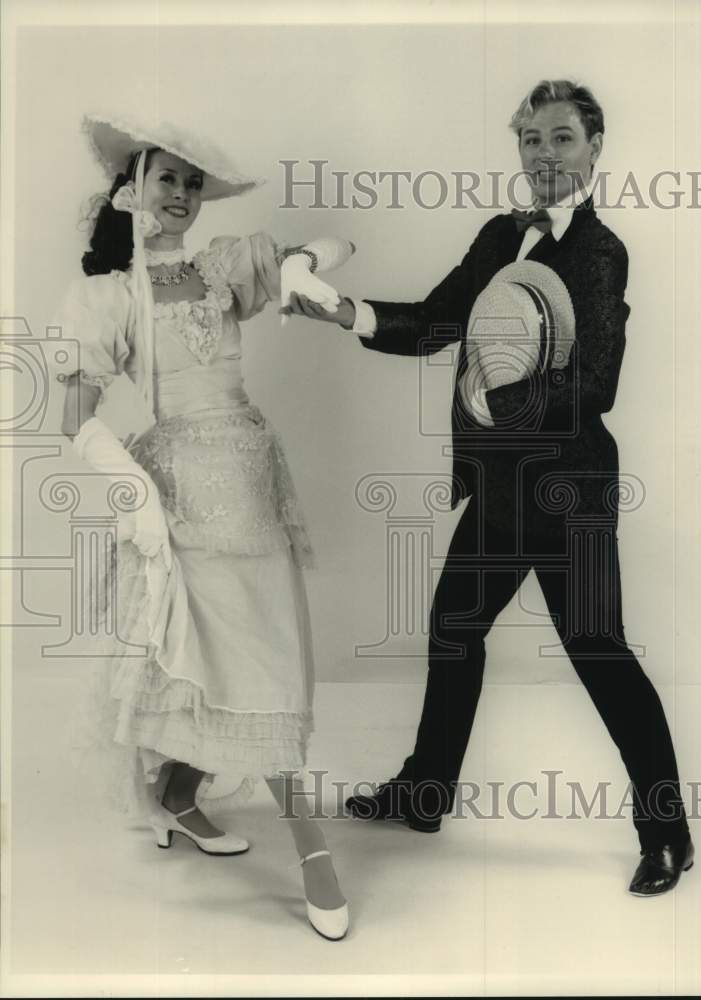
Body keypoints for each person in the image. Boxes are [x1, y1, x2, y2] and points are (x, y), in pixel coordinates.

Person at [282, 80, 695, 897]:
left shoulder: (599, 251)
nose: (545, 154)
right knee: (453, 627)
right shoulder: (499, 236)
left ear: (594, 147)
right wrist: (347, 312)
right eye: (531, 139)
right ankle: (425, 794)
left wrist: (490, 401)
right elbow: (439, 320)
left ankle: (668, 834)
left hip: (566, 492)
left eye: (562, 138)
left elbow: (595, 382)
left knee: (596, 652)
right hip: (500, 489)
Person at [59, 114, 352, 939]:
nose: (183, 195)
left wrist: (299, 265)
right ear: (135, 187)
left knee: (261, 658)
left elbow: (337, 247)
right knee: (233, 663)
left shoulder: (223, 267)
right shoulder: (109, 294)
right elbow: (74, 419)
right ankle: (313, 853)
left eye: (194, 182)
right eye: (168, 180)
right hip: (180, 495)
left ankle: (179, 794)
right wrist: (134, 496)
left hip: (253, 484)